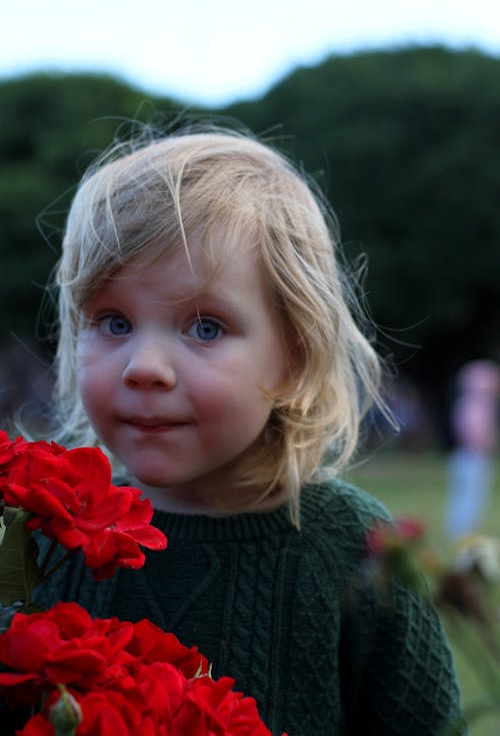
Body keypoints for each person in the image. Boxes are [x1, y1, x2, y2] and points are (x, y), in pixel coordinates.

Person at [34, 126, 466, 735]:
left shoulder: (352, 548)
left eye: (204, 327)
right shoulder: (41, 541)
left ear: (293, 357)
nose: (144, 368)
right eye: (112, 321)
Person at [444, 360, 500, 538]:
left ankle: (464, 530)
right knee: (469, 494)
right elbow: (472, 432)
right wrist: (484, 445)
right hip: (473, 455)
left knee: (471, 495)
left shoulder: (471, 402)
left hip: (471, 455)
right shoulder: (475, 404)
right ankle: (462, 531)